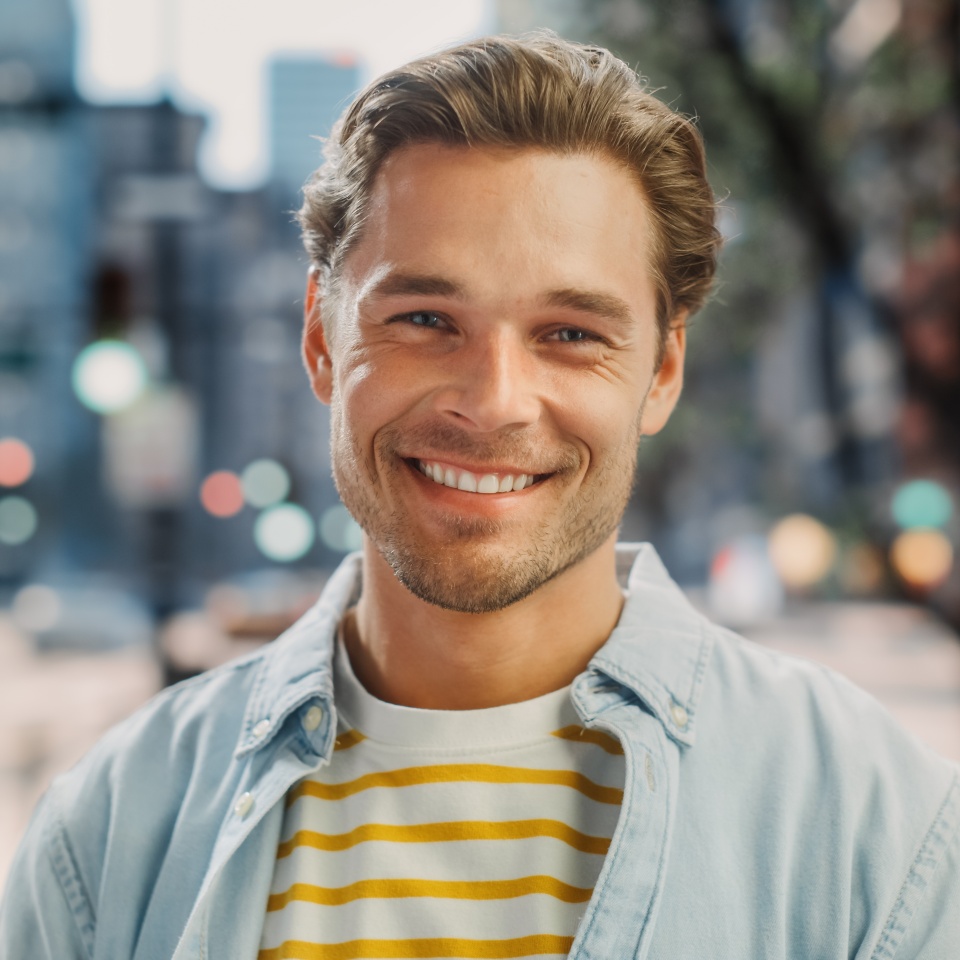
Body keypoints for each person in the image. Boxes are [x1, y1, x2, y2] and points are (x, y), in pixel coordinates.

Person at [1, 33, 958, 960]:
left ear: (662, 372)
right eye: (424, 318)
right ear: (322, 340)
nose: (493, 402)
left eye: (571, 333)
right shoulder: (114, 825)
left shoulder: (873, 827)